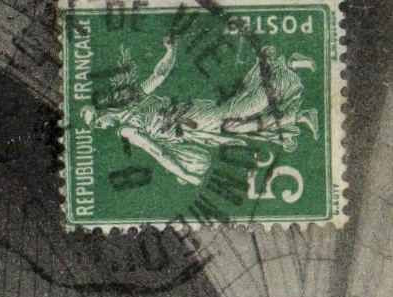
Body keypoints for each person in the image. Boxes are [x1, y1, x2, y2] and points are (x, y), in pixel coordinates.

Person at [81, 37, 318, 187]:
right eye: (98, 126)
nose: (102, 125)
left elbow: (158, 151)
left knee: (241, 113)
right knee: (240, 122)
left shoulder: (129, 118)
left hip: (192, 118)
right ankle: (299, 113)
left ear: (105, 111)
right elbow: (158, 150)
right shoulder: (129, 118)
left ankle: (286, 69)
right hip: (192, 123)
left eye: (99, 119)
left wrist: (170, 52)